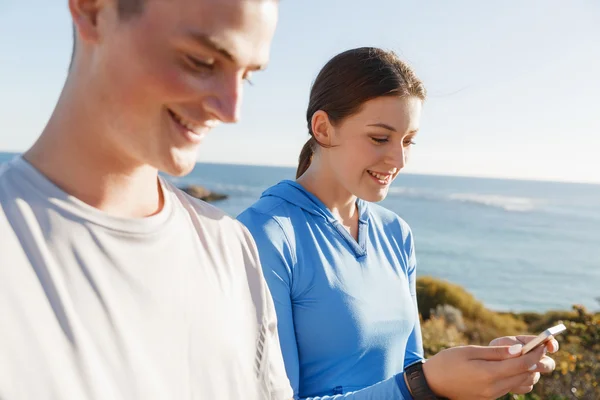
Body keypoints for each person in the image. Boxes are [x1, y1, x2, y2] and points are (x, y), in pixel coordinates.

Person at [0, 0, 293, 399]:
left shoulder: (232, 249)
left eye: (247, 76)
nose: (231, 111)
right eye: (202, 61)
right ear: (92, 10)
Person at [237, 47, 558, 400]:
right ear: (324, 128)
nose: (399, 159)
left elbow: (409, 369)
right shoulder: (261, 236)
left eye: (408, 141)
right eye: (380, 138)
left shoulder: (395, 232)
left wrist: (483, 367)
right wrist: (423, 383)